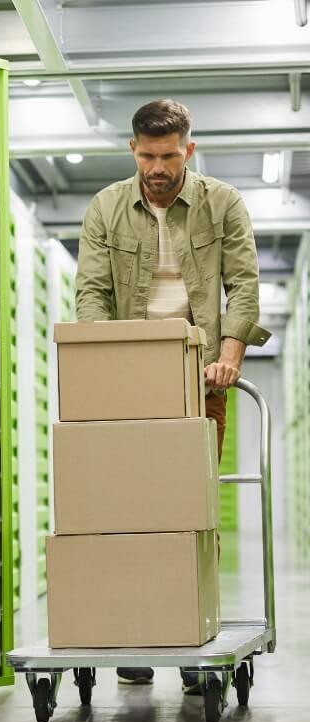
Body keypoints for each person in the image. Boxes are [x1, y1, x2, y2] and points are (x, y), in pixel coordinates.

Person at [74, 99, 271, 692]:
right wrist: (103, 367)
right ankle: (136, 633)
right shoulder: (106, 208)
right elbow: (91, 294)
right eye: (146, 155)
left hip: (200, 371)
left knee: (192, 513)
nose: (157, 167)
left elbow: (243, 283)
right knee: (124, 512)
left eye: (168, 155)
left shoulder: (223, 203)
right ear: (132, 150)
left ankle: (190, 634)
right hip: (130, 371)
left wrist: (230, 353)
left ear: (188, 149)